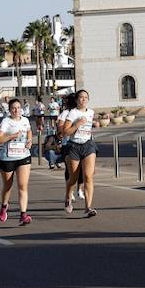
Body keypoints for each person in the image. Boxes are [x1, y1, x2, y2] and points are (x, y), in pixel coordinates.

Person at [0, 97, 33, 226]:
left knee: (22, 186)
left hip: (23, 156)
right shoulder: (6, 121)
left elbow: (29, 132)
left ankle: (23, 215)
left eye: (18, 108)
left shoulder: (25, 120)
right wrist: (11, 136)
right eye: (13, 108)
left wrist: (30, 140)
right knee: (8, 186)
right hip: (7, 158)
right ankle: (4, 206)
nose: (16, 110)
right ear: (9, 110)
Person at [59, 88, 99, 217]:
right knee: (73, 178)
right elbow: (65, 132)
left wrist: (95, 124)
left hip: (88, 145)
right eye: (81, 97)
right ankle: (67, 197)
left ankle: (88, 207)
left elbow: (88, 127)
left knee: (88, 176)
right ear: (76, 100)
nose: (83, 99)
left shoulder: (91, 112)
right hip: (74, 146)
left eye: (86, 97)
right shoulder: (72, 113)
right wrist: (77, 124)